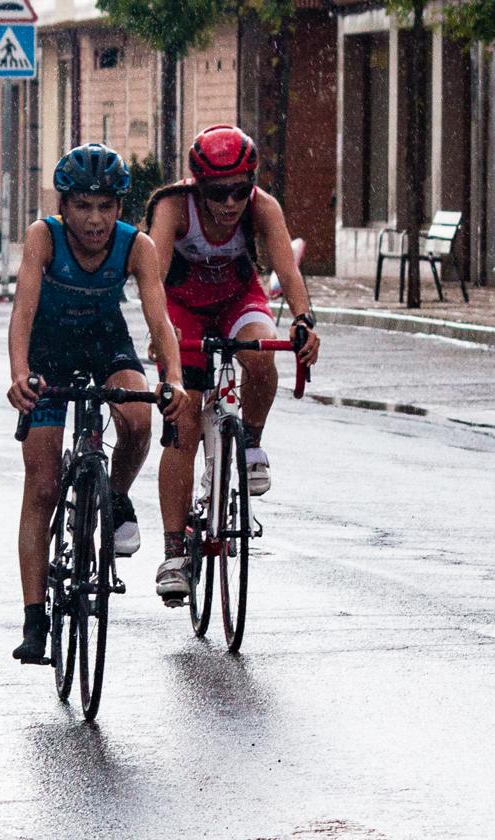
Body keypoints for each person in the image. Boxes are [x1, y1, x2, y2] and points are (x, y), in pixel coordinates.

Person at [6, 143, 187, 663]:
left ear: (119, 209)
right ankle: (35, 618)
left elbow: (159, 320)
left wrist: (171, 379)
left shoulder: (137, 246)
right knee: (41, 485)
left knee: (138, 417)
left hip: (106, 341)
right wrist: (20, 375)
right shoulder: (44, 237)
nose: (94, 219)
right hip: (49, 352)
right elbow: (22, 313)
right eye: (83, 206)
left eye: (105, 206)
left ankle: (114, 495)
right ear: (64, 207)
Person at [145, 124, 320, 602]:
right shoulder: (172, 208)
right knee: (184, 419)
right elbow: (153, 280)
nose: (229, 204)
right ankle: (175, 551)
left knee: (262, 356)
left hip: (235, 300)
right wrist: (161, 335)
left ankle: (251, 443)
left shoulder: (263, 208)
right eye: (218, 193)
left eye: (240, 190)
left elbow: (288, 270)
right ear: (197, 186)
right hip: (181, 309)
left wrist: (304, 323)